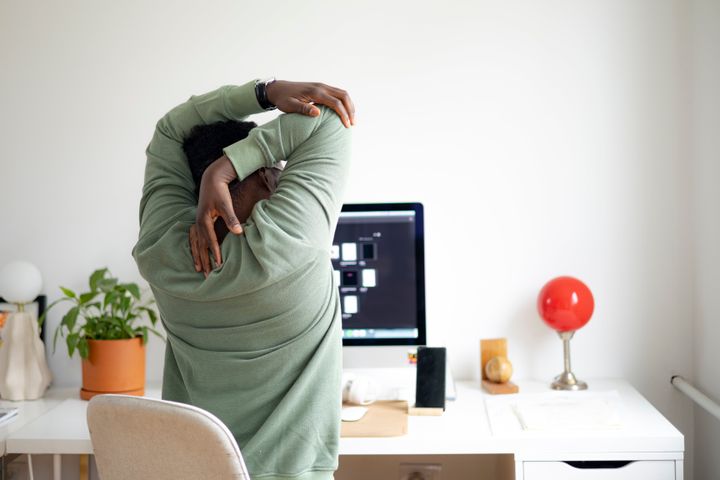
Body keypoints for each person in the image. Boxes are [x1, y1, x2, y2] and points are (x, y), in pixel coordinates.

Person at [132, 78, 354, 480]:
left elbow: (169, 129)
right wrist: (227, 166)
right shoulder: (291, 241)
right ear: (268, 176)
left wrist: (264, 93)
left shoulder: (158, 251)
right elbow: (328, 121)